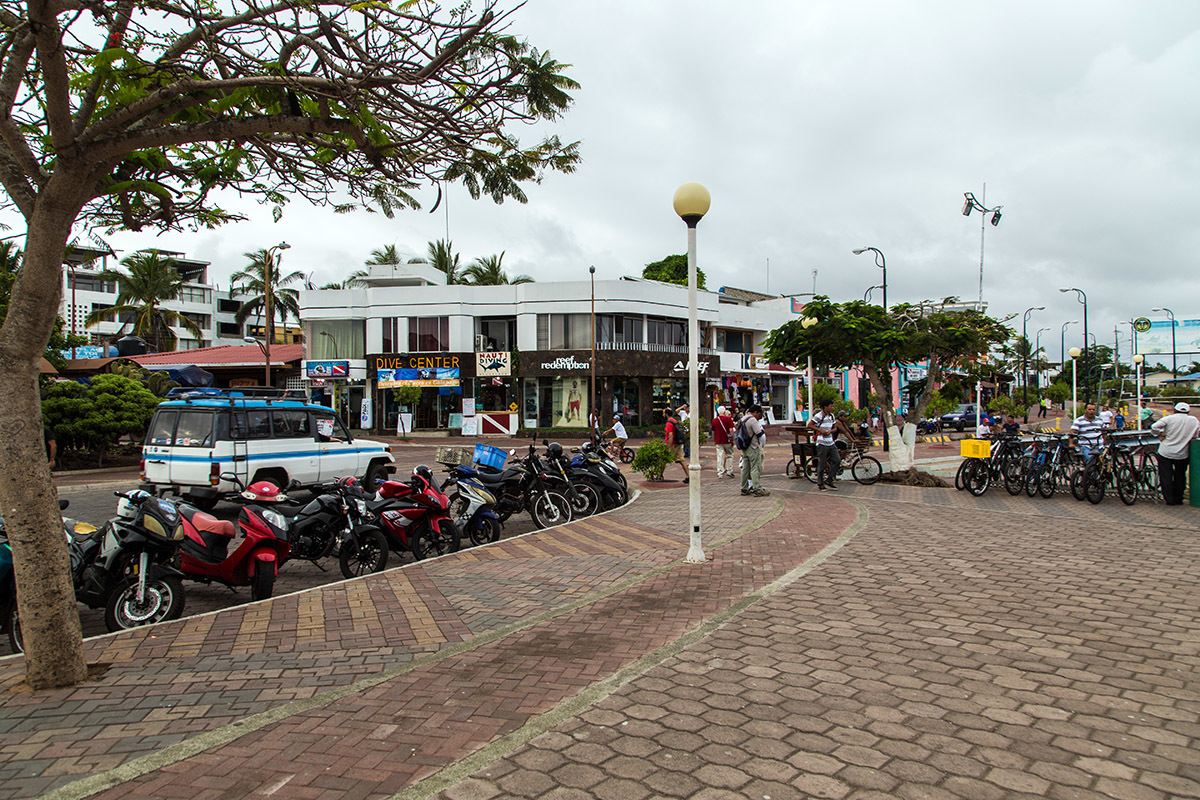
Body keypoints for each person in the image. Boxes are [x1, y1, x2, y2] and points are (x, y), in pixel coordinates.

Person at [1151, 402, 1200, 506]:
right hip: (1182, 454)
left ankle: (1169, 499)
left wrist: (1159, 434)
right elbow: (1195, 434)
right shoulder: (1194, 420)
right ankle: (1178, 498)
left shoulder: (1169, 418)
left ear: (1174, 410)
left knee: (1166, 476)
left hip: (1165, 452)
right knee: (1180, 476)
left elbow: (1154, 426)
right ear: (1188, 411)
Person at [809, 399, 843, 491]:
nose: (832, 408)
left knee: (837, 460)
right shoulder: (819, 415)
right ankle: (820, 483)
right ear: (825, 407)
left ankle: (830, 479)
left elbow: (835, 427)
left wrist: (831, 431)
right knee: (822, 463)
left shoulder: (832, 416)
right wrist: (821, 431)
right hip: (822, 442)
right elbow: (810, 425)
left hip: (831, 442)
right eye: (830, 406)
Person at [739, 404, 768, 496]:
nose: (760, 416)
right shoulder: (752, 420)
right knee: (755, 467)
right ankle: (757, 488)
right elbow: (759, 433)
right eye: (760, 414)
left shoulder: (743, 419)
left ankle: (744, 487)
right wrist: (762, 431)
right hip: (754, 446)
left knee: (745, 468)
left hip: (745, 447)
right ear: (755, 412)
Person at [664, 409, 689, 483]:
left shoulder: (669, 423)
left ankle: (659, 475)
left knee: (664, 459)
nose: (663, 414)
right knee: (681, 460)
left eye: (663, 413)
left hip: (673, 444)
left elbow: (670, 435)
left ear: (666, 414)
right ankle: (688, 475)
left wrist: (669, 446)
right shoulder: (675, 421)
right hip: (678, 443)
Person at [711, 405, 735, 478]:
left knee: (720, 456)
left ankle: (720, 472)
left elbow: (713, 431)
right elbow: (731, 430)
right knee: (729, 455)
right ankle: (729, 470)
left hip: (719, 440)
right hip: (727, 441)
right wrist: (733, 439)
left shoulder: (714, 420)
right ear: (724, 412)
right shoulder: (728, 419)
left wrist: (714, 439)